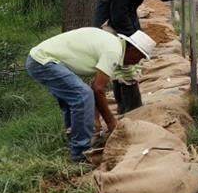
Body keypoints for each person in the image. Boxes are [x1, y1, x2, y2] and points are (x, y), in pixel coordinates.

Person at [94, 0, 198, 114]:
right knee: (124, 64)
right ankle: (132, 110)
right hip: (109, 17)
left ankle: (125, 108)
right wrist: (133, 40)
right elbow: (118, 10)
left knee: (125, 64)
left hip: (127, 12)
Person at [27, 28, 155, 162]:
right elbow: (98, 88)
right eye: (140, 57)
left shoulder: (113, 44)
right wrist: (111, 122)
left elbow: (95, 86)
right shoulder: (113, 52)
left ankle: (74, 136)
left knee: (78, 97)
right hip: (43, 60)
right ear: (133, 50)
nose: (137, 62)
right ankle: (80, 154)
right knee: (82, 96)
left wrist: (96, 119)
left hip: (43, 59)